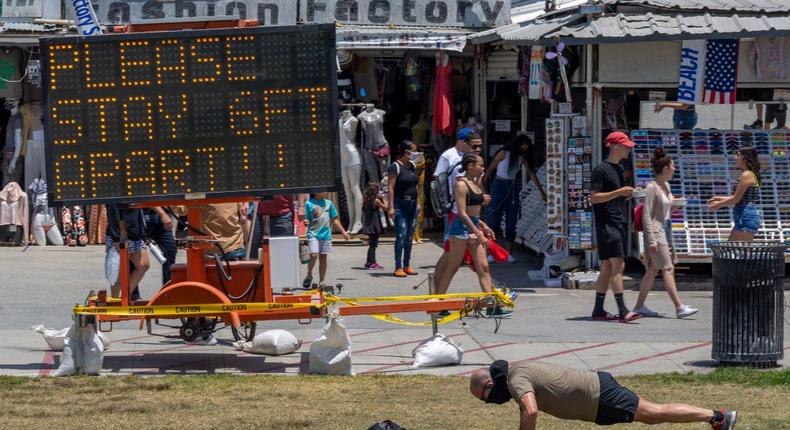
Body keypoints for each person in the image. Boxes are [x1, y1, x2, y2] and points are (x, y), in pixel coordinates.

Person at [469, 360, 737, 430]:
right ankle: (716, 417)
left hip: (600, 396)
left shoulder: (516, 379)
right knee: (652, 414)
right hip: (597, 396)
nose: (490, 403)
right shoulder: (518, 373)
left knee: (653, 414)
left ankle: (718, 417)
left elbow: (531, 411)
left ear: (491, 384)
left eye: (485, 398)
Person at [435, 154, 508, 316]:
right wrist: (478, 232)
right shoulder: (461, 185)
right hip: (460, 230)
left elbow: (474, 213)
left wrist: (483, 225)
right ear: (470, 166)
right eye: (480, 165)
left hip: (473, 227)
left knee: (484, 267)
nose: (482, 168)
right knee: (452, 267)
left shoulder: (475, 183)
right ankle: (439, 304)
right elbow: (462, 213)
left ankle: (491, 305)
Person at [633, 146, 698, 319]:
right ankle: (679, 307)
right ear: (665, 168)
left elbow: (664, 210)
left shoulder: (666, 186)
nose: (675, 169)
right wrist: (651, 240)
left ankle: (639, 306)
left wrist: (675, 205)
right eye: (673, 166)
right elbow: (647, 215)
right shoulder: (652, 187)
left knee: (653, 269)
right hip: (655, 232)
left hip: (665, 229)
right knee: (668, 268)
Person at [590, 131, 640, 322]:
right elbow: (594, 198)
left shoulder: (619, 169)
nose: (629, 149)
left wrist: (627, 194)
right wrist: (619, 191)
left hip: (618, 221)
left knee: (608, 267)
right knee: (618, 265)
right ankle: (623, 310)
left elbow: (613, 195)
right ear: (614, 146)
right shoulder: (601, 169)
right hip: (607, 223)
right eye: (626, 145)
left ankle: (598, 310)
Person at [484, 133, 546, 260]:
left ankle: (508, 253)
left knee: (511, 220)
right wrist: (483, 190)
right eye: (523, 147)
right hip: (499, 185)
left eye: (526, 148)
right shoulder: (503, 153)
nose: (524, 149)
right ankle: (492, 252)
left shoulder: (521, 157)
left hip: (511, 186)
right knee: (493, 219)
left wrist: (541, 192)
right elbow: (490, 170)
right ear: (517, 145)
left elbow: (531, 173)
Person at [707, 146, 762, 241]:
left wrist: (718, 205)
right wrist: (719, 199)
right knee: (731, 250)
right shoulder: (749, 173)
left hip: (745, 216)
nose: (735, 157)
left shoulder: (746, 175)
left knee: (741, 252)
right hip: (744, 215)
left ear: (745, 158)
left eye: (738, 155)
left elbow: (736, 199)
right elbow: (738, 197)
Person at [302, 192, 351, 288]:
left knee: (323, 257)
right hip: (313, 234)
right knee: (313, 255)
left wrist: (343, 232)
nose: (325, 192)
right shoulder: (309, 203)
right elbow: (306, 219)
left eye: (325, 190)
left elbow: (334, 219)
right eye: (322, 190)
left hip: (326, 235)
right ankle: (309, 274)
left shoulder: (329, 203)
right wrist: (305, 222)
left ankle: (322, 281)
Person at [387, 141, 420, 277]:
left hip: (412, 205)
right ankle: (398, 266)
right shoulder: (395, 167)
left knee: (410, 236)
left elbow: (415, 186)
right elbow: (391, 187)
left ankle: (407, 265)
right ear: (406, 152)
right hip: (400, 205)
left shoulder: (412, 165)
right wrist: (391, 207)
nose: (416, 154)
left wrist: (418, 203)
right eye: (414, 151)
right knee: (401, 234)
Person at [106, 205, 150, 300]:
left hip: (135, 233)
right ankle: (115, 302)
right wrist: (117, 238)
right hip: (119, 234)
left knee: (143, 265)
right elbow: (112, 210)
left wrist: (143, 234)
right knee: (118, 275)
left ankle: (124, 298)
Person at [362, 182, 386, 270]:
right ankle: (373, 263)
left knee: (371, 245)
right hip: (374, 225)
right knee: (373, 245)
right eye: (378, 190)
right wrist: (383, 198)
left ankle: (369, 262)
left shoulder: (366, 201)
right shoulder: (376, 201)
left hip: (369, 225)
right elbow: (386, 208)